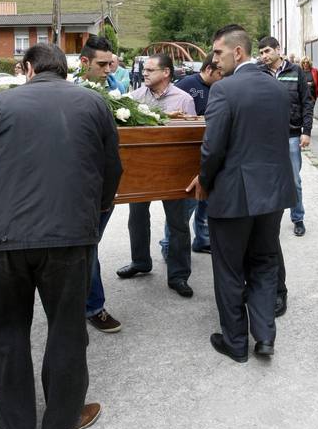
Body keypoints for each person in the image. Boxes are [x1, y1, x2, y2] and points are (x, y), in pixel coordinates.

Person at [0, 43, 122, 429]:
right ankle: (61, 419)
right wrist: (97, 209)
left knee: (5, 330)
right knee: (67, 329)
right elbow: (112, 169)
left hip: (6, 238)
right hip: (70, 236)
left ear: (27, 68)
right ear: (66, 70)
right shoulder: (93, 104)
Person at [187, 25, 296, 362]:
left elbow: (213, 147)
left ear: (238, 52)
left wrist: (204, 179)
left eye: (218, 53)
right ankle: (264, 338)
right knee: (264, 263)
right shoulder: (278, 89)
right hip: (274, 192)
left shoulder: (225, 90)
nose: (214, 60)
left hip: (234, 193)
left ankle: (235, 343)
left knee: (230, 268)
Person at [117, 53, 196, 297]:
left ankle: (179, 275)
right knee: (137, 218)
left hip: (174, 173)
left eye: (151, 69)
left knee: (178, 224)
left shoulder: (184, 100)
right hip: (141, 172)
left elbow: (193, 136)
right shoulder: (133, 98)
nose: (145, 73)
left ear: (166, 73)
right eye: (145, 69)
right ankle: (141, 262)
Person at [78, 35, 123, 333]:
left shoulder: (116, 89)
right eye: (102, 64)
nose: (108, 69)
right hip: (78, 182)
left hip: (103, 182)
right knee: (86, 246)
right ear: (84, 62)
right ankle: (92, 305)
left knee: (88, 245)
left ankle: (89, 303)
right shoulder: (71, 91)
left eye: (110, 63)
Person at [159, 52, 224, 256]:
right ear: (208, 70)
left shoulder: (218, 88)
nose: (222, 78)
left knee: (205, 202)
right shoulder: (186, 85)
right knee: (185, 206)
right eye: (219, 74)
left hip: (207, 152)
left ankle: (202, 240)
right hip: (188, 154)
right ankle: (168, 245)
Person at [258, 36, 312, 241]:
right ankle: (268, 222)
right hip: (266, 137)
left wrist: (306, 131)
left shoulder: (295, 71)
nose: (264, 56)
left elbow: (307, 102)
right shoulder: (259, 72)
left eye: (267, 51)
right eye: (261, 52)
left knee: (294, 180)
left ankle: (298, 218)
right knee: (266, 179)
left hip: (291, 134)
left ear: (278, 50)